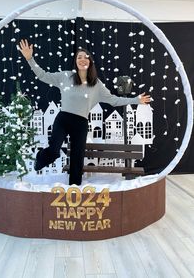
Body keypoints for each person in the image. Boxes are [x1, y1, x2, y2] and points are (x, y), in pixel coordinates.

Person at [18, 39, 151, 185]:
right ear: (75, 62)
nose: (82, 59)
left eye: (85, 57)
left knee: (77, 157)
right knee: (54, 151)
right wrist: (30, 59)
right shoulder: (65, 77)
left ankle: (75, 187)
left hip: (80, 123)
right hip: (63, 119)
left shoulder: (97, 85)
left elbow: (114, 100)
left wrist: (135, 100)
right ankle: (40, 158)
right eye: (79, 57)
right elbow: (43, 75)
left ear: (90, 62)